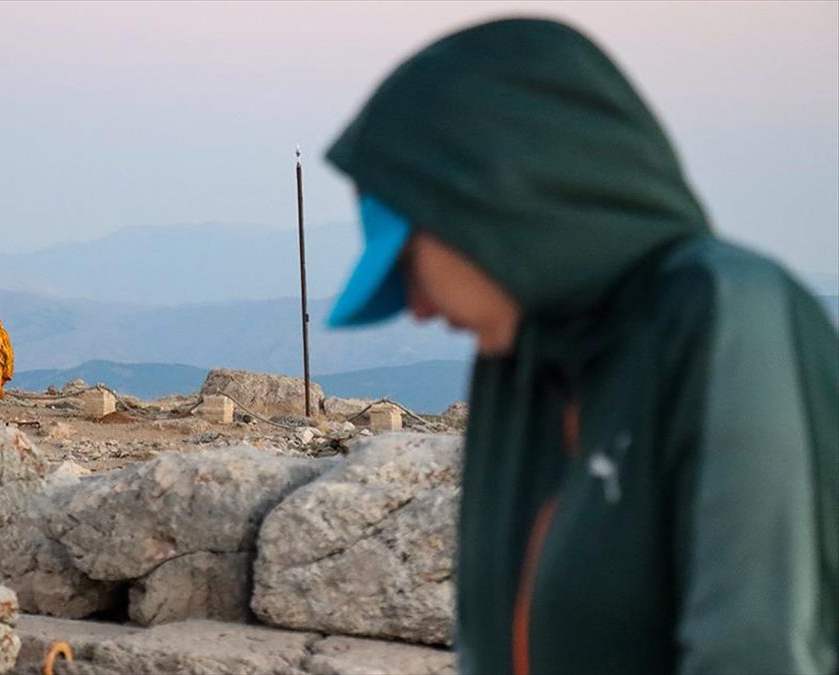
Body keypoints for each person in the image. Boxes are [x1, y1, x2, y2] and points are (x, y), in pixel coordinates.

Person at [326, 18, 837, 675]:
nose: (418, 306)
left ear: (490, 201)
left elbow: (758, 648)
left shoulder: (727, 320)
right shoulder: (520, 364)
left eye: (409, 262)